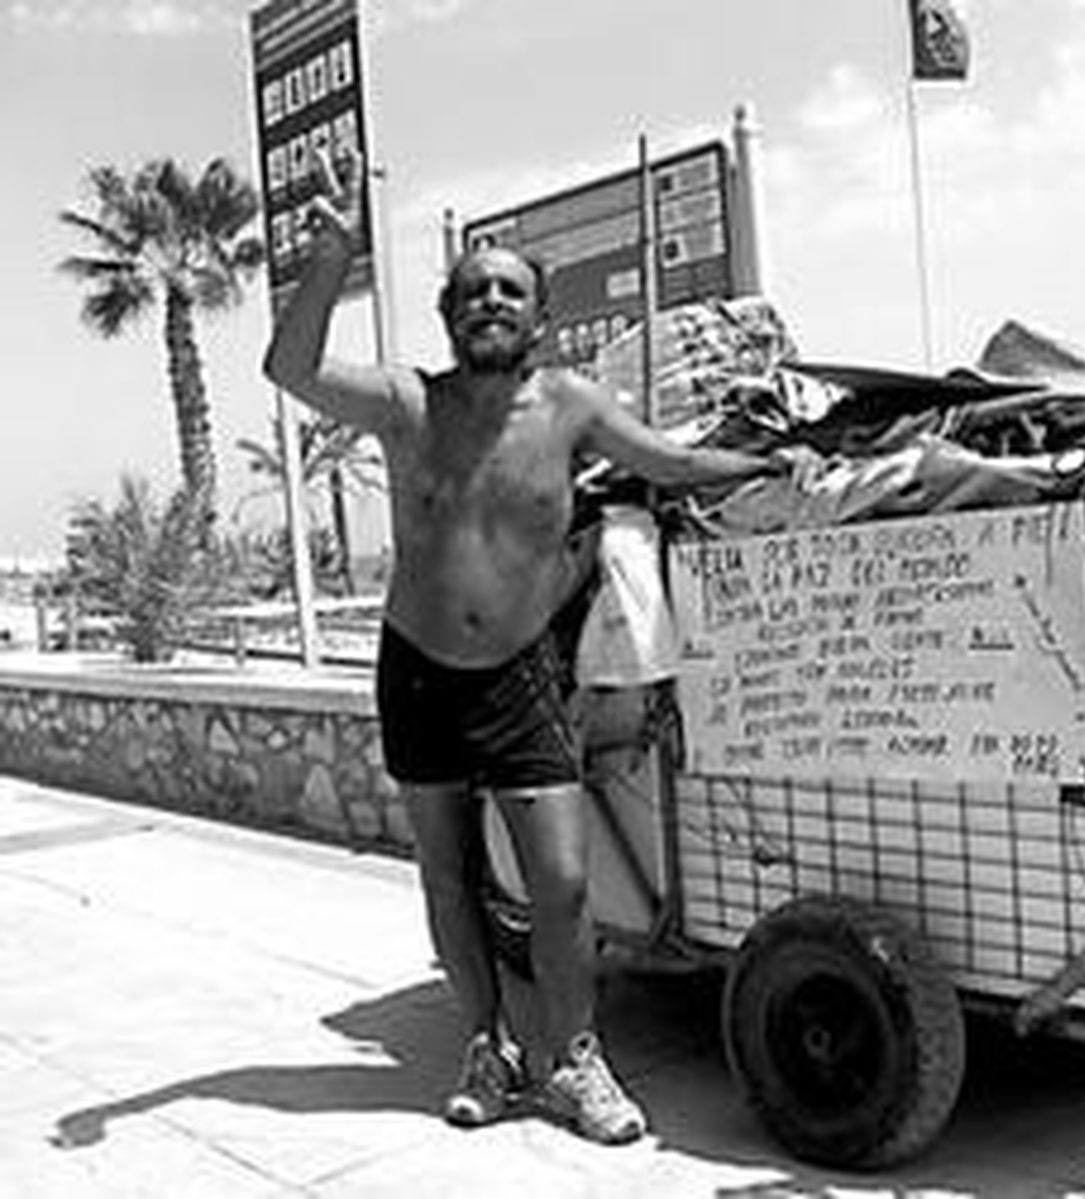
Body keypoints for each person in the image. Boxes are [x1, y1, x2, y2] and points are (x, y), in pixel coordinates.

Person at [264, 151, 804, 1144]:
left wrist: (785, 460)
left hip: (519, 677)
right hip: (416, 670)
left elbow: (673, 464)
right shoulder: (406, 403)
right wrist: (335, 258)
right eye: (472, 292)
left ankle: (576, 1062)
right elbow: (288, 369)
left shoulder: (571, 407)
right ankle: (485, 1045)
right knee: (446, 876)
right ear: (449, 316)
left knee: (559, 883)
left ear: (537, 316)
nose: (490, 302)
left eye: (509, 290)